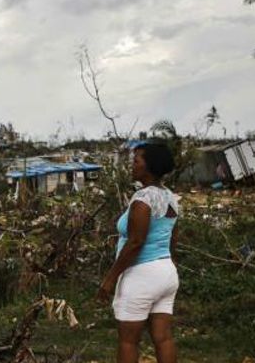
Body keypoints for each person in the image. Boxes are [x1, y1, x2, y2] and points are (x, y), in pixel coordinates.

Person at [96, 142, 180, 363]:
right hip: (166, 273)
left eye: (136, 161)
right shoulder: (170, 197)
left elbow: (135, 242)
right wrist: (169, 266)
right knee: (163, 338)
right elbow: (173, 238)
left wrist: (110, 279)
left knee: (128, 341)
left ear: (149, 165)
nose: (131, 165)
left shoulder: (143, 199)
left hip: (142, 276)